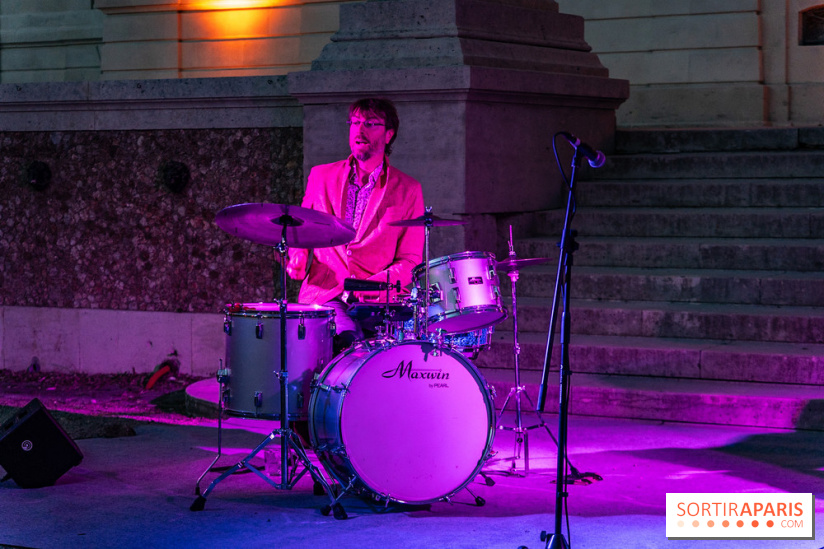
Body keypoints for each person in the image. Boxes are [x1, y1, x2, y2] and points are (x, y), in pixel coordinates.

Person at [285, 97, 425, 353]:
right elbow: (301, 232)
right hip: (327, 295)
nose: (360, 130)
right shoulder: (321, 176)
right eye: (355, 122)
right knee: (351, 343)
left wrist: (376, 286)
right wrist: (297, 256)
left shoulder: (409, 190)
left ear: (388, 135)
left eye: (370, 124)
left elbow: (411, 259)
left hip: (377, 302)